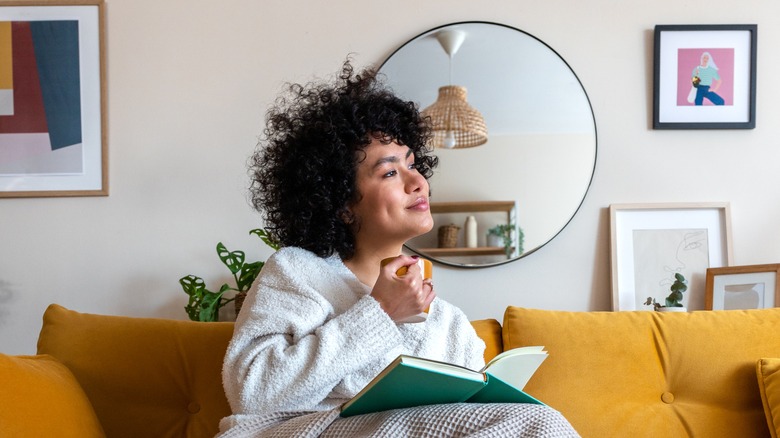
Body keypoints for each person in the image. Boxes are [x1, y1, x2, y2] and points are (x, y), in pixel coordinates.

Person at [217, 59, 578, 437]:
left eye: (412, 164)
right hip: (304, 431)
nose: (418, 181)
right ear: (341, 203)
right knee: (542, 424)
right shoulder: (298, 272)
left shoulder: (448, 322)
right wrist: (380, 312)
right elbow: (254, 393)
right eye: (390, 172)